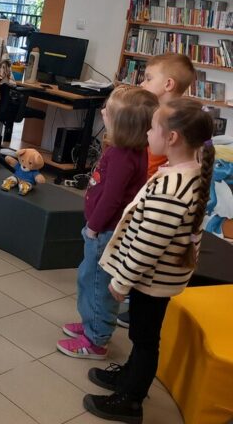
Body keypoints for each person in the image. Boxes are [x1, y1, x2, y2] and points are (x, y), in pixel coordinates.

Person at [84, 98, 214, 423]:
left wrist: (121, 280)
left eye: (153, 126)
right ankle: (129, 376)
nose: (147, 131)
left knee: (144, 340)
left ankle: (130, 399)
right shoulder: (186, 173)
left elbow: (148, 243)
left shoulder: (172, 188)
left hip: (150, 280)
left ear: (172, 138)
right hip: (158, 278)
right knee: (142, 336)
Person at [56, 86, 158, 360]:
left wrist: (93, 227)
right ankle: (92, 325)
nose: (102, 111)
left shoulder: (124, 157)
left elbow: (112, 199)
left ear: (124, 124)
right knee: (88, 278)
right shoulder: (124, 151)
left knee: (99, 283)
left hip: (105, 233)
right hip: (103, 231)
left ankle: (96, 340)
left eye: (108, 111)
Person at [117, 53, 196, 329]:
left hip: (152, 204)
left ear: (169, 84)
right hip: (142, 198)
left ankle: (131, 298)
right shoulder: (157, 114)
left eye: (149, 78)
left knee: (145, 253)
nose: (142, 82)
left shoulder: (172, 123)